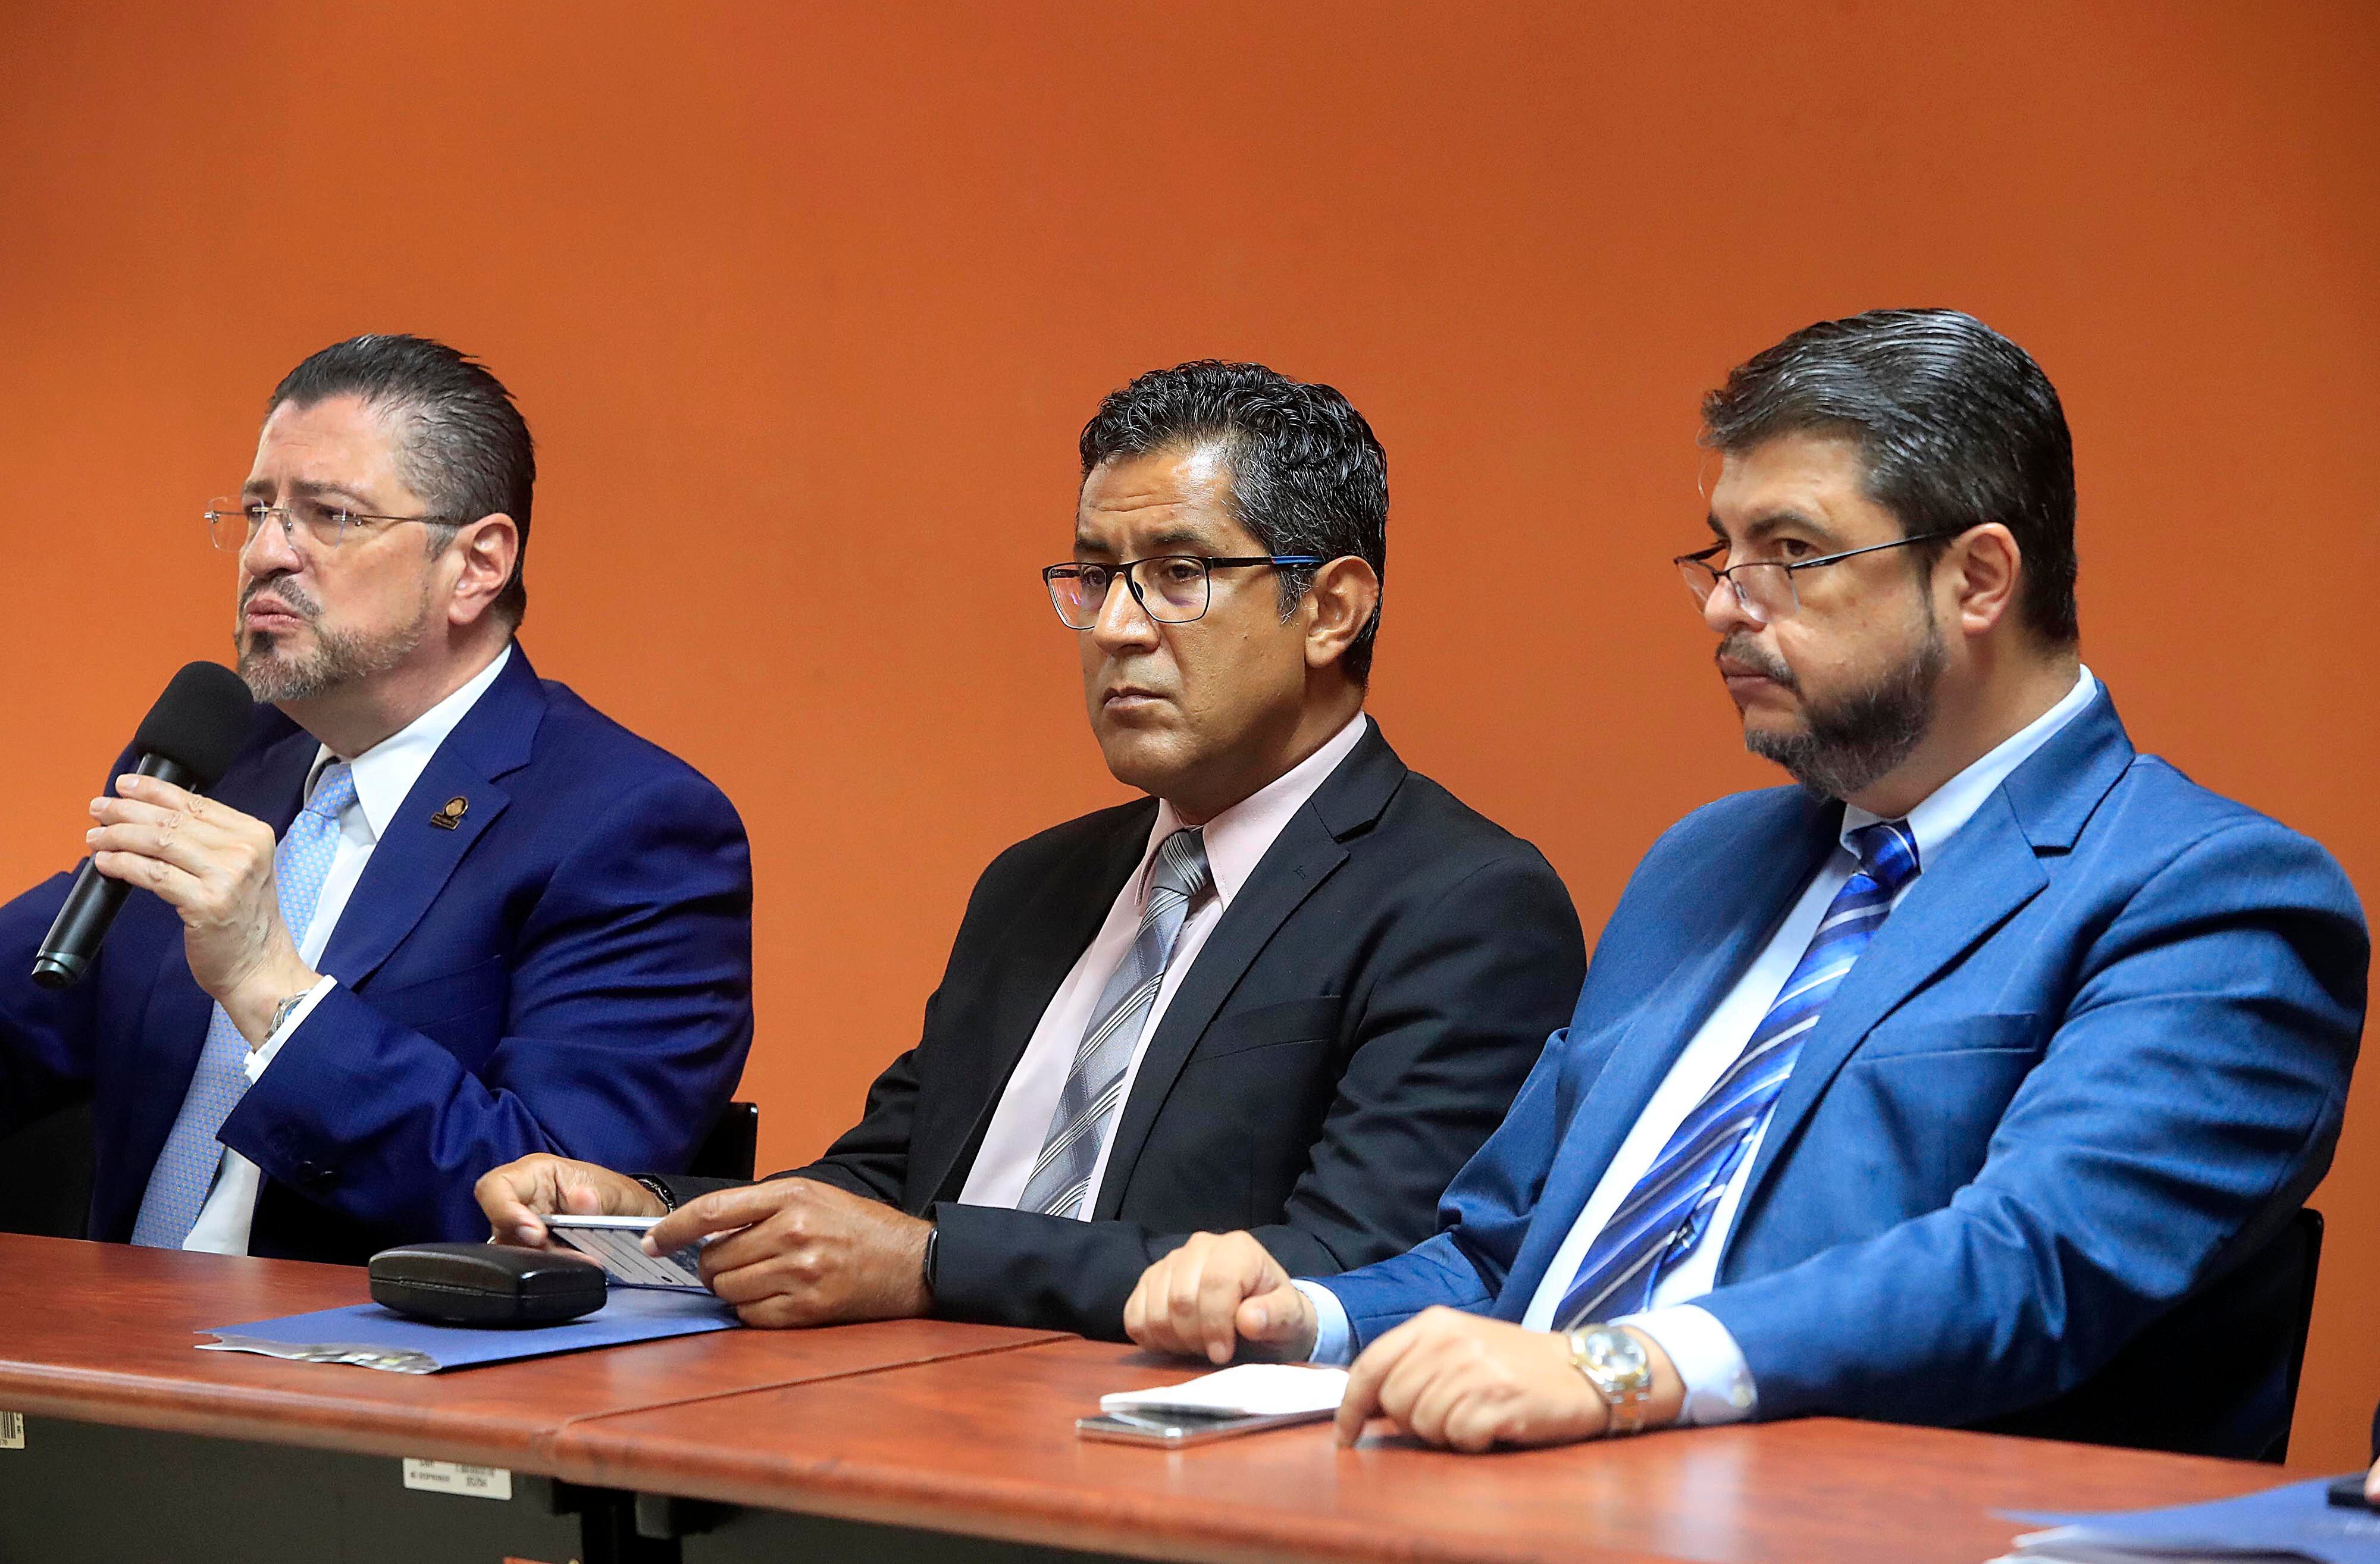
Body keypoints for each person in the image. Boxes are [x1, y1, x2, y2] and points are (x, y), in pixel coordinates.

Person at [1123, 311, 2367, 1461]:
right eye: (1717, 552)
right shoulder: (1705, 863)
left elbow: (2024, 1265)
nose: (1723, 602)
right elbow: (1506, 1245)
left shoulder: (2209, 896)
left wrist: (1614, 1366)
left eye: (1790, 553)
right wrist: (1309, 1314)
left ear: (1979, 578)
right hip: (1513, 1497)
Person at [478, 359, 1587, 1338]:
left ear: (1332, 608)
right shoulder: (1038, 882)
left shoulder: (1465, 902)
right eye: (1096, 575)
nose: (1115, 628)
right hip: (906, 1416)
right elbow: (885, 1183)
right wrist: (653, 1218)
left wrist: (933, 1265)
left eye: (1180, 574)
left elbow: (1356, 1268)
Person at [0, 335, 754, 1264]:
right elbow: (24, 1012)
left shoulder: (634, 828)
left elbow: (559, 1215)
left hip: (369, 1380)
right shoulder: (225, 760)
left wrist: (273, 992)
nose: (266, 553)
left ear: (476, 564)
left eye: (332, 516)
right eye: (257, 512)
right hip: (111, 1361)